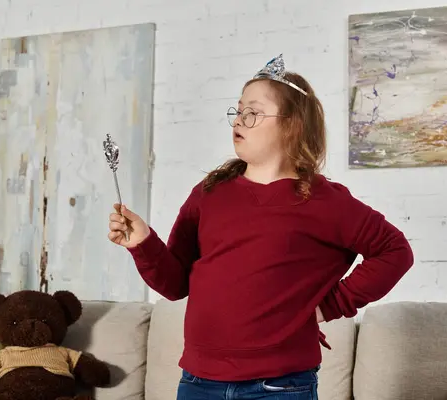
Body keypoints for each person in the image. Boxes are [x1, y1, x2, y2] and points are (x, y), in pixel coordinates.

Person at [108, 54, 414, 399]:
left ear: (291, 124)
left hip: (281, 387)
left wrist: (330, 305)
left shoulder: (326, 202)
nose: (239, 120)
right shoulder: (209, 193)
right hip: (197, 383)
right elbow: (175, 284)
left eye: (252, 112)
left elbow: (395, 251)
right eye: (238, 111)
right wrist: (143, 244)